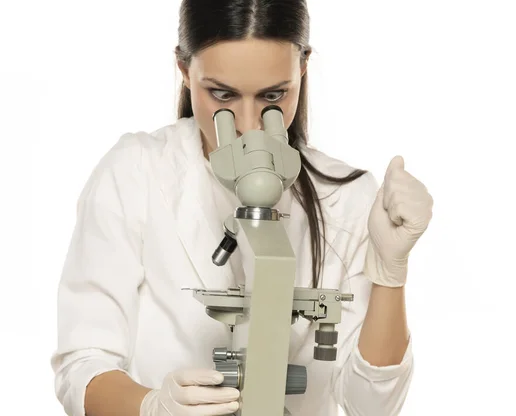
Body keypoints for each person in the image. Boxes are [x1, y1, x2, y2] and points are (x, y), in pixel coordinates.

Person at [50, 1, 434, 415]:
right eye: (222, 94)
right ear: (183, 70)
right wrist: (152, 407)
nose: (249, 125)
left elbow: (372, 406)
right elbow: (82, 365)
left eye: (273, 96)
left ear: (302, 69)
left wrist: (390, 273)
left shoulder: (347, 196)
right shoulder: (134, 172)